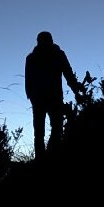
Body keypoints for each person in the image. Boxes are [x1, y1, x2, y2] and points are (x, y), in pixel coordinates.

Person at [25, 31, 81, 159]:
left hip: (51, 98)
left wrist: (75, 89)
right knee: (44, 130)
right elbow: (28, 80)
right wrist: (31, 96)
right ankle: (45, 157)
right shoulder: (33, 58)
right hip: (43, 98)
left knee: (52, 128)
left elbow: (68, 73)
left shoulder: (56, 55)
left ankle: (49, 155)